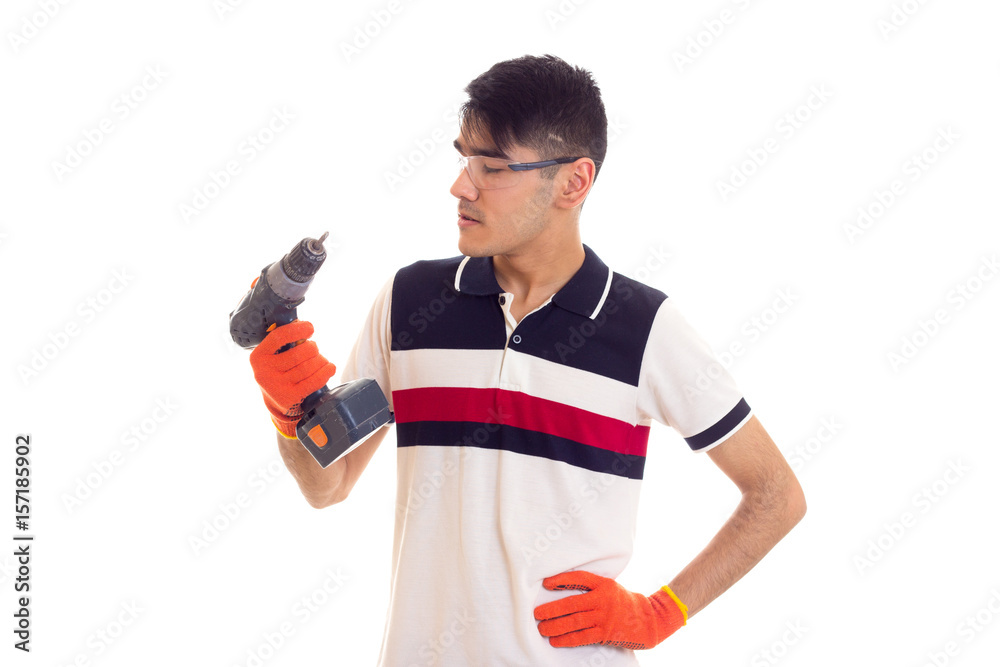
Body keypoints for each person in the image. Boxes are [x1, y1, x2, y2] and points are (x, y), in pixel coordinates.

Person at [248, 54, 807, 666]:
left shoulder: (645, 327)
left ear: (574, 182)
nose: (462, 187)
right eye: (464, 160)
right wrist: (289, 414)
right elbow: (327, 485)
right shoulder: (409, 302)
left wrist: (659, 614)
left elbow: (776, 495)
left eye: (492, 168)